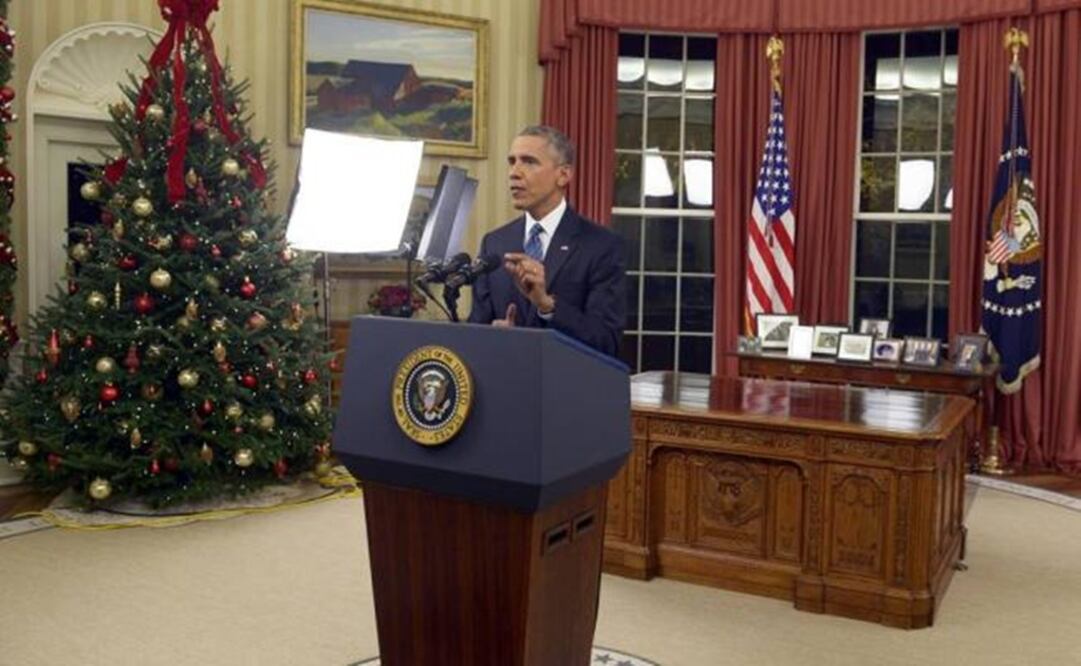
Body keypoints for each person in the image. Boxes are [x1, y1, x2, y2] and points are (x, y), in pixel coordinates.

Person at [468, 125, 625, 357]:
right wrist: (493, 337)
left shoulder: (602, 246)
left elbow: (606, 341)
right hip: (504, 385)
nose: (514, 172)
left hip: (567, 389)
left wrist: (547, 306)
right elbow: (476, 329)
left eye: (529, 162)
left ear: (563, 175)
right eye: (512, 161)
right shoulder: (494, 244)